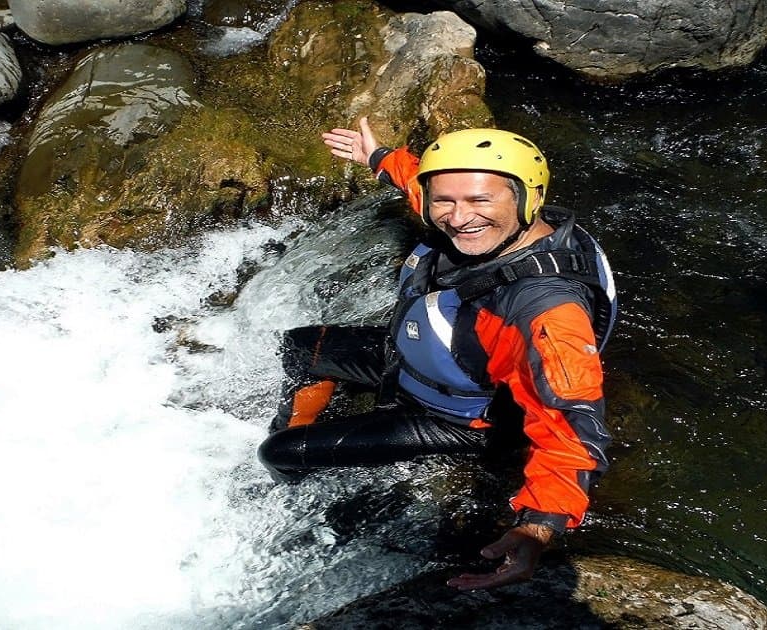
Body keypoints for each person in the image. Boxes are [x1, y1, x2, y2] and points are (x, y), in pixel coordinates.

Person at [258, 117, 617, 590]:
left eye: (479, 201)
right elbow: (429, 187)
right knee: (303, 347)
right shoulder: (492, 222)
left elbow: (570, 425)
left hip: (458, 415)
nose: (459, 217)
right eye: (444, 201)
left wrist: (538, 525)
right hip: (427, 357)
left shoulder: (543, 310)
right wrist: (380, 157)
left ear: (527, 199)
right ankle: (300, 423)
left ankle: (301, 488)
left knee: (279, 453)